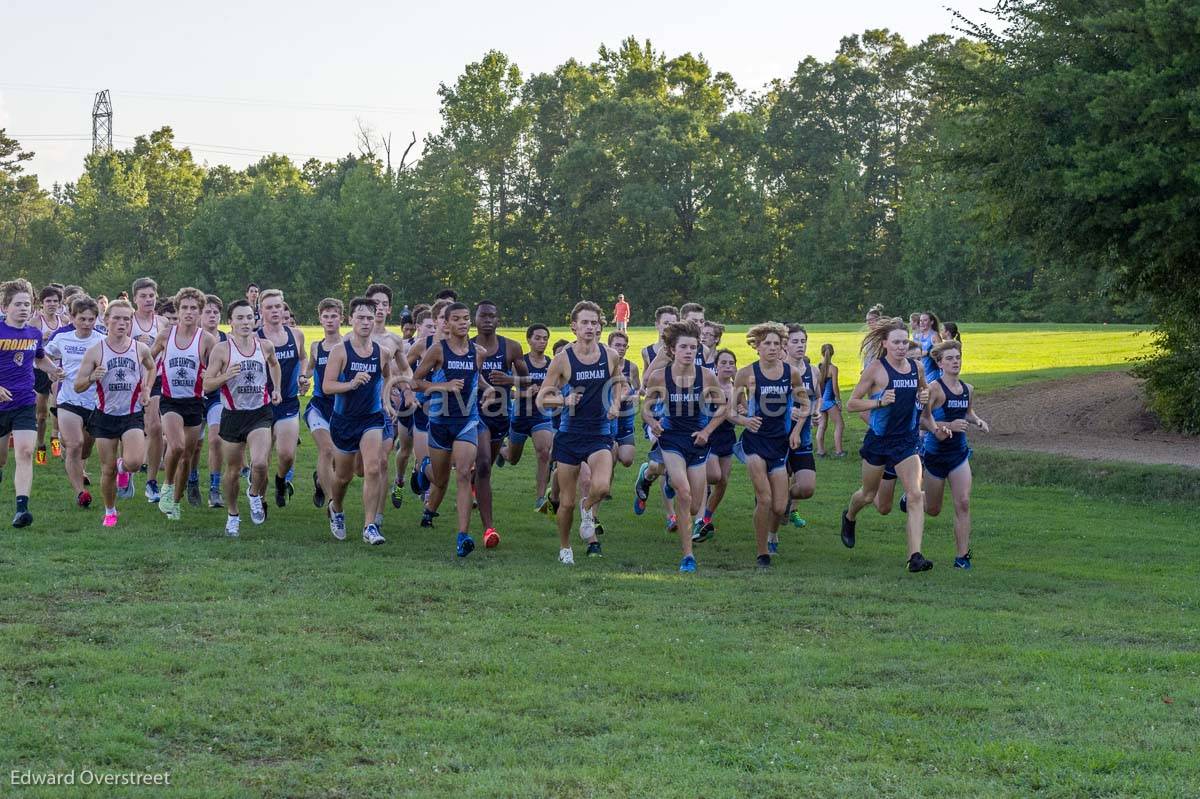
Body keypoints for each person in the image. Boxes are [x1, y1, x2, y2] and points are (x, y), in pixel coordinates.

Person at [840, 317, 935, 573]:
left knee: (916, 495)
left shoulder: (917, 368)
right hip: (879, 441)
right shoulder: (875, 369)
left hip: (906, 441)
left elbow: (924, 398)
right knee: (869, 496)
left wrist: (924, 396)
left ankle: (914, 556)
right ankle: (849, 517)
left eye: (905, 341)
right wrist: (879, 401)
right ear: (885, 344)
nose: (901, 347)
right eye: (896, 342)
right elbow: (852, 404)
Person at [538, 301, 627, 564]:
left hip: (599, 433)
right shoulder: (562, 360)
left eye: (594, 323)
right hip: (569, 435)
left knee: (601, 486)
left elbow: (620, 382)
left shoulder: (610, 355)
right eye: (585, 323)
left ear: (600, 326)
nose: (590, 327)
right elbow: (542, 398)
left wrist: (615, 403)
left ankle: (587, 509)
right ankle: (565, 548)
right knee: (565, 502)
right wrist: (563, 402)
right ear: (574, 327)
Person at [640, 320, 725, 572]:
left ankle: (664, 480)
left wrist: (707, 431)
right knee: (684, 494)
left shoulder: (706, 376)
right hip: (671, 438)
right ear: (673, 349)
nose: (689, 351)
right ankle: (688, 555)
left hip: (696, 440)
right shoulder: (660, 377)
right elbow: (645, 407)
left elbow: (722, 407)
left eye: (693, 347)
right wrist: (652, 421)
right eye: (684, 347)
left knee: (696, 505)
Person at [324, 297, 408, 545]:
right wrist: (350, 384)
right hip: (344, 420)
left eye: (370, 318)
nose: (365, 322)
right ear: (351, 320)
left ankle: (369, 526)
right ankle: (336, 509)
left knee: (373, 467)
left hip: (371, 419)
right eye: (360, 317)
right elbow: (327, 386)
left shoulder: (381, 353)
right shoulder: (341, 351)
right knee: (343, 477)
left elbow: (387, 377)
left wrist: (386, 402)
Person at [412, 302, 491, 556]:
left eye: (466, 318)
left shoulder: (478, 352)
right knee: (440, 478)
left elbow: (475, 378)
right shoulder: (438, 351)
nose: (463, 323)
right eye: (456, 319)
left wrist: (488, 389)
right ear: (446, 323)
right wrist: (442, 386)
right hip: (440, 421)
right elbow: (415, 383)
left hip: (467, 420)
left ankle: (463, 536)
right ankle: (423, 468)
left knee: (465, 475)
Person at [74, 299, 156, 528]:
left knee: (135, 463)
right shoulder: (95, 351)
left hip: (131, 414)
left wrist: (147, 388)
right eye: (117, 318)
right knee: (106, 469)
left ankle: (124, 467)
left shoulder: (140, 349)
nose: (122, 323)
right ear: (106, 320)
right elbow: (77, 385)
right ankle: (110, 510)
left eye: (126, 319)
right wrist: (92, 377)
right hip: (105, 416)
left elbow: (151, 367)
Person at [204, 300, 282, 538]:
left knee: (260, 464)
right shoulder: (222, 349)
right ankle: (233, 513)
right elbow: (207, 384)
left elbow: (274, 364)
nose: (245, 322)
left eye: (249, 317)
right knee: (233, 471)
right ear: (231, 322)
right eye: (240, 318)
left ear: (254, 320)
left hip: (260, 412)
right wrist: (225, 376)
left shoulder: (265, 346)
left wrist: (276, 388)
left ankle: (254, 495)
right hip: (233, 415)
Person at [732, 322, 806, 569]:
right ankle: (762, 552)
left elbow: (805, 405)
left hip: (779, 443)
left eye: (777, 343)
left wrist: (796, 430)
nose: (773, 348)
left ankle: (773, 534)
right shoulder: (746, 373)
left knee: (779, 505)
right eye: (767, 344)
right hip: (754, 443)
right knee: (764, 499)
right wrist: (744, 419)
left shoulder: (791, 373)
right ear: (757, 347)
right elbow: (729, 410)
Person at [0, 279, 64, 527]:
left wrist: (54, 370)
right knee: (2, 459)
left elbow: (39, 359)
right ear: (6, 307)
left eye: (27, 304)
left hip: (24, 402)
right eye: (18, 304)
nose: (24, 308)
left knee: (25, 452)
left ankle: (21, 509)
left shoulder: (34, 334)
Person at [150, 288, 217, 521]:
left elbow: (216, 366)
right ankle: (167, 486)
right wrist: (144, 385)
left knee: (187, 457)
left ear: (199, 312)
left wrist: (210, 374)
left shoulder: (207, 339)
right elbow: (149, 360)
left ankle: (175, 501)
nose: (189, 312)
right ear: (177, 311)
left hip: (195, 402)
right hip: (170, 400)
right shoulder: (165, 335)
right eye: (184, 308)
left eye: (194, 309)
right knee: (176, 446)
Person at [921, 340, 989, 569]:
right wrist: (947, 425)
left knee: (963, 502)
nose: (955, 362)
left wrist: (977, 420)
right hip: (934, 455)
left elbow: (967, 412)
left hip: (958, 455)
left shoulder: (968, 389)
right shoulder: (934, 389)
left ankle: (962, 557)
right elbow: (921, 421)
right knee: (933, 509)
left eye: (957, 357)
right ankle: (912, 498)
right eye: (949, 358)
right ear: (940, 363)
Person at [470, 299, 526, 547]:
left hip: (501, 416)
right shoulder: (464, 347)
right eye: (483, 316)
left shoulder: (511, 348)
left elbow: (530, 383)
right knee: (482, 465)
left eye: (492, 316)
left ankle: (474, 485)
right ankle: (489, 529)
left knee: (486, 469)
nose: (488, 320)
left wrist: (510, 378)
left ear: (498, 319)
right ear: (475, 319)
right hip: (472, 414)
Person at [45, 296, 106, 508]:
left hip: (94, 402)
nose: (87, 324)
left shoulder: (102, 340)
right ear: (72, 317)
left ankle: (77, 463)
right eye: (82, 319)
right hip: (68, 399)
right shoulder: (63, 339)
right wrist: (53, 371)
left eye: (91, 319)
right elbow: (42, 355)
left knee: (86, 450)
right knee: (74, 444)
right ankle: (81, 493)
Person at [255, 289, 307, 508]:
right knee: (262, 460)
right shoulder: (255, 337)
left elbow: (303, 357)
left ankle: (280, 480)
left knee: (286, 455)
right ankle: (261, 499)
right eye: (269, 307)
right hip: (260, 405)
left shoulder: (296, 334)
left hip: (287, 402)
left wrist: (303, 376)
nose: (275, 310)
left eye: (278, 306)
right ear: (261, 311)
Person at [501, 324, 555, 510]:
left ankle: (540, 498)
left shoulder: (551, 364)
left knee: (544, 453)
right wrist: (526, 393)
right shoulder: (520, 363)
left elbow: (556, 392)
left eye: (545, 338)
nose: (542, 342)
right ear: (529, 340)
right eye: (538, 338)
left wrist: (546, 394)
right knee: (512, 459)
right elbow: (506, 391)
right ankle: (502, 451)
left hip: (541, 416)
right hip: (520, 416)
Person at [303, 298, 343, 510]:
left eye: (333, 316)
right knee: (327, 450)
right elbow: (310, 369)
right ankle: (332, 502)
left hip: (343, 409)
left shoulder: (348, 347)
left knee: (341, 461)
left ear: (341, 319)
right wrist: (303, 378)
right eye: (325, 316)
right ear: (320, 319)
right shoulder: (316, 347)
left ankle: (320, 480)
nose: (329, 320)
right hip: (319, 406)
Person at [130, 277, 167, 503]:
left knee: (155, 426)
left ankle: (151, 482)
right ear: (134, 298)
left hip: (155, 379)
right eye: (143, 296)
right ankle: (124, 467)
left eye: (151, 296)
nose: (148, 300)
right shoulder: (127, 321)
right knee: (127, 430)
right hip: (128, 380)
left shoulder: (162, 323)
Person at [781, 324, 819, 541]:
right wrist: (789, 410)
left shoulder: (812, 371)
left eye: (803, 341)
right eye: (795, 341)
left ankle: (784, 501)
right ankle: (771, 538)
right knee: (777, 481)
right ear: (785, 344)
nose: (800, 345)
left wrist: (815, 412)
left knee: (806, 488)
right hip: (778, 438)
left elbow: (818, 396)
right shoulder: (779, 369)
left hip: (803, 439)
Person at [697, 348, 737, 540]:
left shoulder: (737, 388)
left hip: (727, 437)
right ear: (716, 366)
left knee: (723, 482)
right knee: (713, 475)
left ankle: (706, 517)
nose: (728, 366)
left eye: (731, 363)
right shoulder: (709, 387)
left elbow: (743, 409)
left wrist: (743, 412)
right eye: (724, 363)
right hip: (709, 436)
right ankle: (697, 496)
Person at [200, 294, 227, 507]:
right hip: (192, 398)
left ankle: (215, 488)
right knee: (191, 447)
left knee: (215, 439)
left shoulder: (227, 340)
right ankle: (191, 480)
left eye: (215, 312)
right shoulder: (192, 338)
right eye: (207, 312)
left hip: (217, 396)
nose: (212, 316)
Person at [33, 285, 64, 465]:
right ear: (42, 303)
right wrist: (41, 336)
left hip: (58, 370)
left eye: (55, 301)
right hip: (39, 371)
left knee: (60, 406)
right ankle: (40, 446)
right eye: (48, 301)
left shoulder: (65, 320)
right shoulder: (35, 323)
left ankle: (56, 439)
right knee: (42, 414)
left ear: (60, 304)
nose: (52, 304)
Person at [606, 331, 640, 470]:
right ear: (609, 346)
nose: (621, 348)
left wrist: (636, 396)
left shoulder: (632, 367)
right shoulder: (605, 365)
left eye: (624, 346)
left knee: (627, 460)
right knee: (610, 462)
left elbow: (638, 388)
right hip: (609, 416)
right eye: (617, 345)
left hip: (625, 418)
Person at [815, 343, 845, 457]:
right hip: (829, 401)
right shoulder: (833, 368)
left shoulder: (818, 367)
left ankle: (820, 451)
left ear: (822, 353)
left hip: (820, 401)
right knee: (839, 424)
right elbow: (834, 387)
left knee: (822, 426)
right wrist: (838, 401)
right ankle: (839, 451)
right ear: (833, 353)